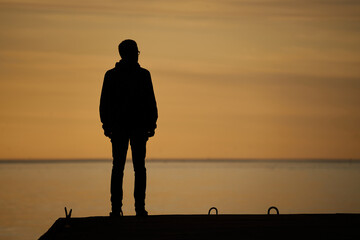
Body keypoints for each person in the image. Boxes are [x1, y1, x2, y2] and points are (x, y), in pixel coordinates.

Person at [99, 39, 158, 217]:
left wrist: (106, 125)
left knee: (120, 167)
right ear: (132, 53)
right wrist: (151, 124)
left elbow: (104, 105)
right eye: (136, 52)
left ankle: (117, 209)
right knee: (137, 168)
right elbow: (151, 103)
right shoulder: (143, 75)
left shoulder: (111, 75)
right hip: (134, 127)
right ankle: (137, 208)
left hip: (121, 128)